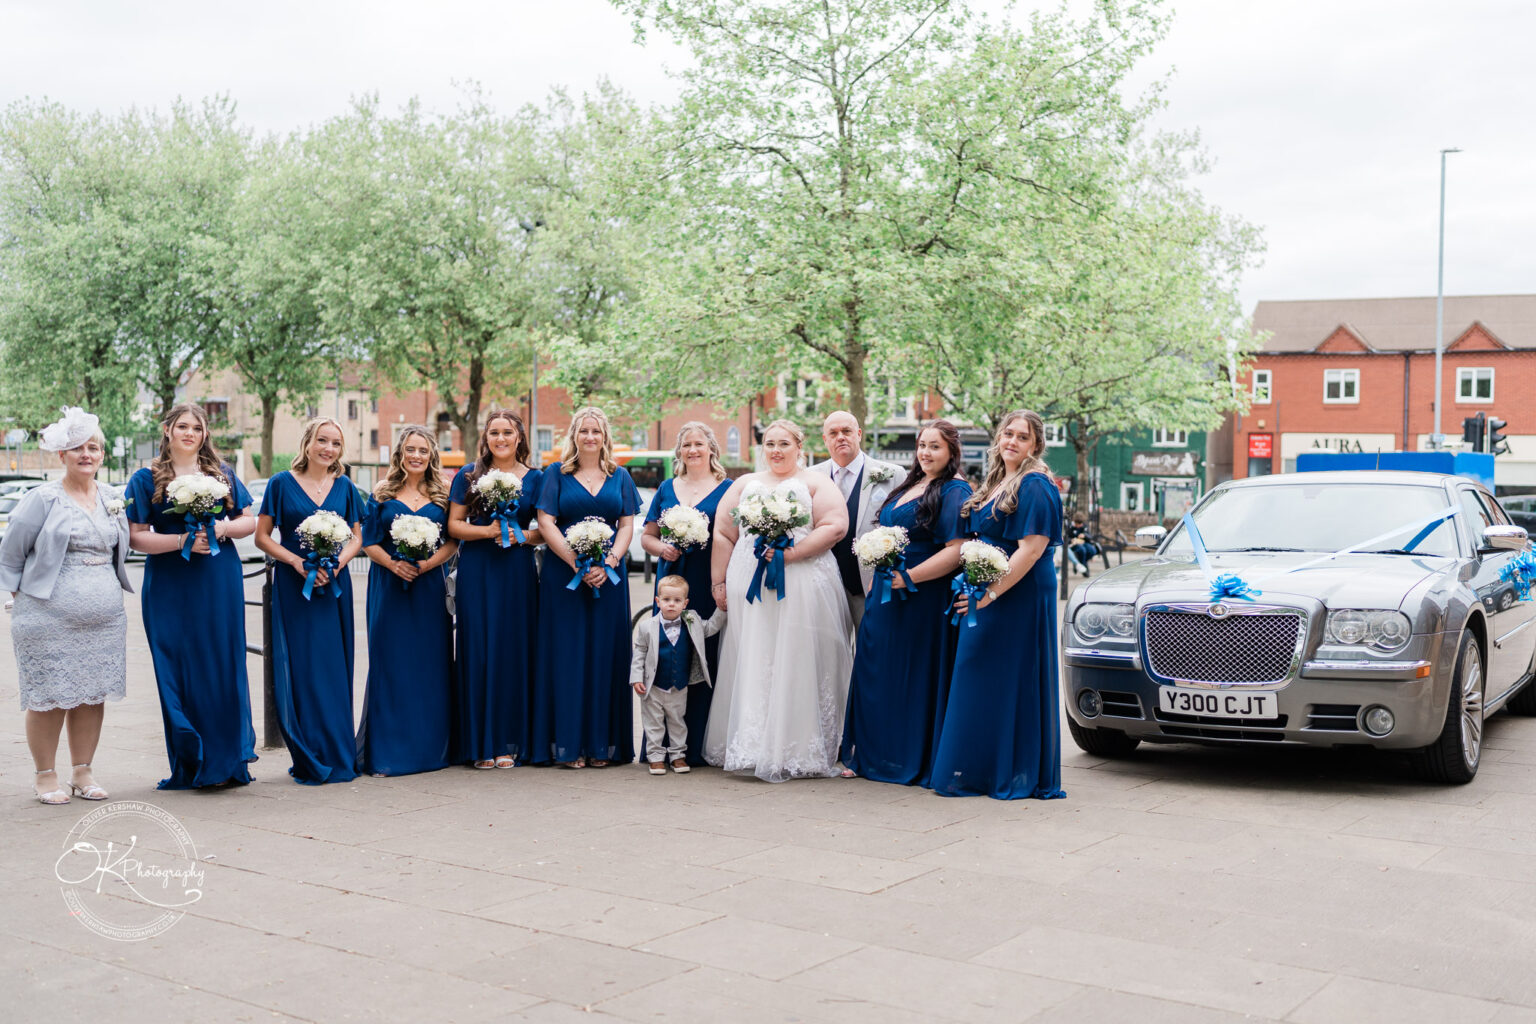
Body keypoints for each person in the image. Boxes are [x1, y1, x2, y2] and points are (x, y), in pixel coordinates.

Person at [705, 419, 854, 782]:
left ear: (799, 447)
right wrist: (718, 581)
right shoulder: (744, 483)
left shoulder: (817, 482)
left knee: (799, 655)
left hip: (803, 584)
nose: (776, 450)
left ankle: (801, 745)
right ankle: (754, 745)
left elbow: (835, 526)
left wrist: (791, 555)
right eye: (770, 443)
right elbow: (724, 531)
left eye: (784, 443)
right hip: (750, 586)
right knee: (756, 654)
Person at [929, 409, 1065, 801]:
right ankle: (982, 769)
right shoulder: (996, 482)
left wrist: (989, 595)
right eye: (1008, 434)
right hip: (989, 591)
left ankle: (1009, 770)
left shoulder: (1035, 484)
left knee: (1006, 678)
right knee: (982, 676)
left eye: (1022, 437)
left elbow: (1033, 549)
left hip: (1016, 594)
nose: (1012, 442)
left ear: (1036, 445)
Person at [1, 408, 131, 804]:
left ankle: (83, 772)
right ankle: (45, 775)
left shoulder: (113, 498)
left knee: (92, 696)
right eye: (77, 448)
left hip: (105, 621)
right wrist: (14, 596)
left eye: (93, 447)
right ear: (62, 456)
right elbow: (9, 555)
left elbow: (124, 548)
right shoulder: (41, 499)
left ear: (103, 455)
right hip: (46, 619)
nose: (86, 454)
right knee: (49, 696)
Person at [126, 403, 259, 789]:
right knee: (176, 664)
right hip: (170, 583)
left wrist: (220, 529)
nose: (189, 433)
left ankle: (226, 760)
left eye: (197, 428)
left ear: (205, 434)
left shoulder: (223, 473)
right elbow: (136, 535)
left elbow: (248, 520)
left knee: (220, 661)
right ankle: (190, 758)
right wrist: (182, 539)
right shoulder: (145, 477)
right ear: (167, 430)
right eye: (182, 426)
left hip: (218, 578)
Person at [840, 420, 971, 786]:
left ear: (951, 452)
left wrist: (910, 577)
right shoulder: (910, 484)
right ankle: (870, 753)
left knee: (912, 676)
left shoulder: (955, 490)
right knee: (875, 668)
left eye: (935, 447)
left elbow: (956, 549)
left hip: (921, 596)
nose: (926, 453)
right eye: (922, 445)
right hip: (885, 594)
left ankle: (906, 757)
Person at [255, 417, 365, 785]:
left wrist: (337, 565)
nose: (328, 448)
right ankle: (307, 753)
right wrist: (297, 562)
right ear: (307, 442)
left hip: (333, 587)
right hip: (294, 585)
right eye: (322, 440)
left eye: (335, 443)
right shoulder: (280, 484)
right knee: (301, 668)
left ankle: (336, 751)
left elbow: (357, 537)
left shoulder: (346, 486)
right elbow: (263, 537)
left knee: (333, 668)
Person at [534, 407, 640, 768]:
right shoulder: (556, 474)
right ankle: (568, 744)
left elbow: (626, 525)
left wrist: (609, 561)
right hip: (564, 579)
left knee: (604, 655)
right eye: (584, 431)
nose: (590, 437)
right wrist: (575, 562)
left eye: (596, 431)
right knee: (567, 655)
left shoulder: (620, 476)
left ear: (605, 436)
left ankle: (602, 746)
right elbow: (545, 522)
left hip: (609, 579)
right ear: (574, 436)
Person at [356, 427, 458, 777]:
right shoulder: (382, 493)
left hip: (429, 588)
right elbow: (369, 541)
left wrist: (428, 564)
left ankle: (430, 749)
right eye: (410, 449)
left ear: (431, 456)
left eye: (423, 451)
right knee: (391, 664)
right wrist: (393, 563)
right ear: (399, 453)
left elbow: (453, 542)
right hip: (389, 587)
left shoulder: (443, 495)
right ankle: (388, 752)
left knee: (430, 664)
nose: (416, 456)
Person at [447, 409, 543, 768]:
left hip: (516, 569)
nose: (500, 439)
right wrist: (488, 531)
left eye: (507, 432)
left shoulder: (537, 478)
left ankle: (508, 741)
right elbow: (454, 526)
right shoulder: (468, 476)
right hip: (478, 569)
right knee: (478, 649)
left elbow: (544, 528)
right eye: (494, 433)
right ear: (485, 438)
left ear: (519, 437)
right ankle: (477, 744)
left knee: (512, 650)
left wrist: (522, 535)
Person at [638, 421, 732, 766]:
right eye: (686, 445)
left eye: (698, 444)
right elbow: (647, 536)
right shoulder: (666, 487)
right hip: (671, 582)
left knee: (704, 654)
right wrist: (662, 548)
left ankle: (698, 745)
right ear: (679, 451)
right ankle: (661, 748)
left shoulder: (728, 488)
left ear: (711, 448)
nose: (692, 450)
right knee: (666, 655)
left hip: (708, 580)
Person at [810, 411, 901, 628]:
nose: (840, 437)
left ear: (859, 434)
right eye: (833, 433)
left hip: (870, 585)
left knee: (870, 653)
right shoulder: (810, 477)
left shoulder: (893, 475)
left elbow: (903, 528)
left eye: (846, 431)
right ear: (825, 440)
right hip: (823, 585)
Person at [629, 575, 726, 775]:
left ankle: (677, 756)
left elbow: (711, 628)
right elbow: (639, 652)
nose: (671, 604)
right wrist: (636, 677)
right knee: (653, 723)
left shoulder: (692, 622)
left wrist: (723, 609)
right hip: (652, 686)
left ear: (685, 603)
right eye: (666, 600)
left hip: (679, 685)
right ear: (658, 601)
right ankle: (655, 758)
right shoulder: (647, 627)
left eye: (676, 600)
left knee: (677, 722)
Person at [1067, 512, 1099, 577]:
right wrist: (1072, 540)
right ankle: (1084, 567)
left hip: (1085, 543)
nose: (1078, 525)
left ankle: (1079, 563)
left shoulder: (1085, 526)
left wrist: (1084, 535)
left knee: (1092, 550)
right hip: (1074, 544)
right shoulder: (1070, 527)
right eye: (1077, 524)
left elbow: (1090, 536)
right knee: (1082, 550)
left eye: (1080, 524)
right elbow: (1066, 537)